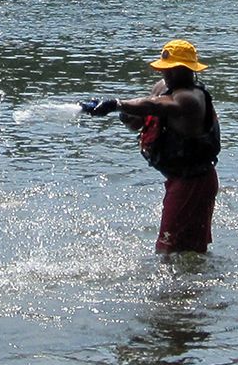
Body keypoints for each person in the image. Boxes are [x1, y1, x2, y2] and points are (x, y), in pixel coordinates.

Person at [83, 39, 220, 254]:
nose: (167, 74)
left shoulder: (191, 98)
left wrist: (117, 103)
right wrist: (125, 115)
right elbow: (140, 121)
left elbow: (157, 105)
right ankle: (188, 284)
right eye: (165, 69)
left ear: (188, 70)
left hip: (194, 181)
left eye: (174, 70)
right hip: (177, 178)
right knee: (182, 248)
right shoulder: (162, 87)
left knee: (170, 248)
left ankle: (180, 286)